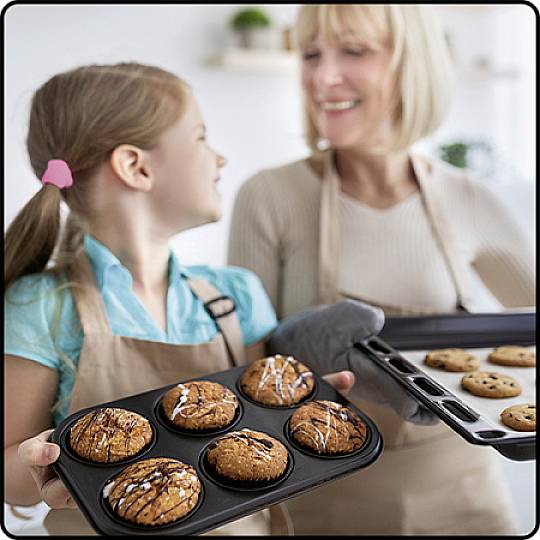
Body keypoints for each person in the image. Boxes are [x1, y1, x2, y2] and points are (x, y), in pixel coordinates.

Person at [4, 62, 372, 536]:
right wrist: (42, 473)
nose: (219, 158)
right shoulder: (41, 305)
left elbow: (263, 418)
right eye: (200, 137)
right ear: (136, 167)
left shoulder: (235, 295)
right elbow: (8, 468)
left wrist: (306, 402)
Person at [228, 4, 535, 536]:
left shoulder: (469, 198)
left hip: (464, 495)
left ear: (412, 64)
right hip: (321, 498)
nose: (323, 77)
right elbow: (238, 369)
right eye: (310, 54)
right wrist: (290, 345)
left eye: (355, 50)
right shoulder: (270, 196)